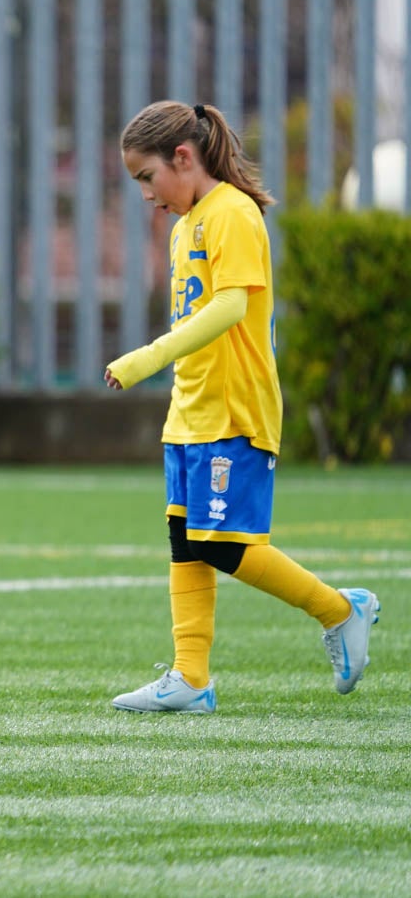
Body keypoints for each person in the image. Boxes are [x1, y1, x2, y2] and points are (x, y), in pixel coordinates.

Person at [106, 100, 379, 714]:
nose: (147, 195)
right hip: (192, 410)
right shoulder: (185, 226)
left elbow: (230, 308)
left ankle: (341, 610)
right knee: (185, 537)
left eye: (147, 177)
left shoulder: (232, 213)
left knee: (226, 544)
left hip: (235, 410)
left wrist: (146, 358)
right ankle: (190, 677)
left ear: (183, 157)